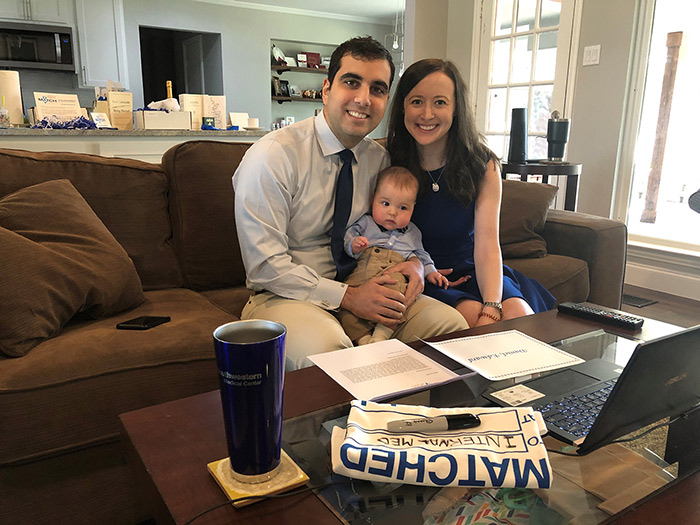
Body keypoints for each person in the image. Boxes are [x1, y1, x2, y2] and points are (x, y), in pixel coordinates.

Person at [234, 38, 468, 370]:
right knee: (333, 353)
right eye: (351, 81)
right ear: (327, 88)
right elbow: (265, 266)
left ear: (386, 100)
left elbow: (393, 228)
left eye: (377, 88)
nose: (363, 98)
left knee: (449, 327)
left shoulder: (379, 159)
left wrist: (416, 264)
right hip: (286, 295)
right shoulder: (272, 157)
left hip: (367, 281)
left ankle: (410, 423)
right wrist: (349, 297)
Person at [387, 58, 556, 328]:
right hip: (429, 274)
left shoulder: (482, 164)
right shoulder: (388, 160)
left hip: (478, 268)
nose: (427, 114)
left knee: (518, 317)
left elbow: (488, 245)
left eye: (440, 102)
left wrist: (492, 304)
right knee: (473, 323)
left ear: (456, 109)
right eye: (416, 101)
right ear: (402, 107)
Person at [339, 166, 449, 345]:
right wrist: (354, 244)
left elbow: (421, 254)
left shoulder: (413, 232)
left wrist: (431, 272)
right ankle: (364, 339)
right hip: (361, 277)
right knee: (345, 310)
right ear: (372, 198)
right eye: (385, 204)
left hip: (393, 275)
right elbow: (348, 237)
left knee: (398, 298)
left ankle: (381, 335)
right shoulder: (366, 223)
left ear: (413, 208)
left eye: (403, 207)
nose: (393, 212)